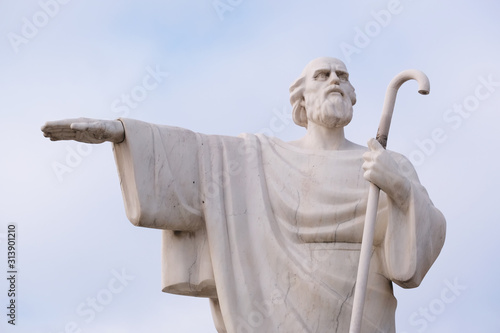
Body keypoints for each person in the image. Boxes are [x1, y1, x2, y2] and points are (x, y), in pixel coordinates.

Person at [42, 57, 446, 333]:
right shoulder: (260, 157)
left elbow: (418, 253)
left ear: (355, 97)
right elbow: (195, 158)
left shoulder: (387, 165)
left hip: (365, 305)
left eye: (342, 75)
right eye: (322, 76)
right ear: (301, 101)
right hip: (277, 304)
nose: (335, 80)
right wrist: (120, 133)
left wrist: (401, 190)